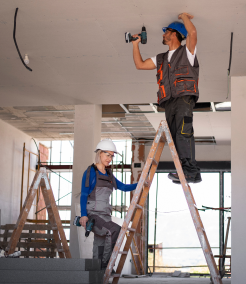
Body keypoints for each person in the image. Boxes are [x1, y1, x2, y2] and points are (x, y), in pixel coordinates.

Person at [131, 12, 201, 184]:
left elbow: (192, 34)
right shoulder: (161, 58)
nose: (163, 34)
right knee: (175, 137)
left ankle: (190, 171)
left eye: (166, 31)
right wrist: (135, 44)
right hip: (169, 102)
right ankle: (185, 171)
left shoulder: (188, 52)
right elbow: (140, 65)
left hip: (184, 98)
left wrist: (184, 17)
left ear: (175, 34)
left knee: (183, 133)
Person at [79, 139, 138, 270]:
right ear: (100, 153)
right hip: (94, 214)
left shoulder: (109, 175)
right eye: (108, 155)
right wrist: (84, 215)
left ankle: (97, 273)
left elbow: (123, 186)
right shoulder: (90, 172)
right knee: (115, 230)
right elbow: (84, 194)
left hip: (105, 215)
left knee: (99, 245)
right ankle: (106, 266)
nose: (110, 158)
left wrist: (140, 184)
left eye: (112, 156)